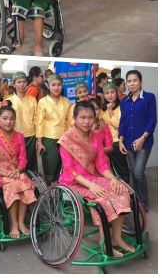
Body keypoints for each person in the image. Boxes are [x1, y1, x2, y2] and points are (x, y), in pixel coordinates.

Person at [58, 101, 135, 257]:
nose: (86, 121)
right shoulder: (66, 139)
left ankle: (117, 238)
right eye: (82, 117)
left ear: (95, 118)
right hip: (73, 182)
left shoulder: (96, 137)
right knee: (104, 200)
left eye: (90, 117)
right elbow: (69, 170)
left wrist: (113, 178)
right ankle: (104, 242)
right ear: (74, 118)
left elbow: (101, 164)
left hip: (92, 177)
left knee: (121, 190)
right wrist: (91, 186)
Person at [0, 102, 37, 239]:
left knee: (25, 183)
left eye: (12, 118)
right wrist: (6, 173)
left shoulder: (19, 136)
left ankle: (21, 222)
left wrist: (18, 170)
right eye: (5, 118)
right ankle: (13, 224)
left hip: (16, 172)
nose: (9, 122)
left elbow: (23, 158)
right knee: (13, 185)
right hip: (0, 174)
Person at [118, 70, 156, 212]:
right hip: (128, 143)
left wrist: (142, 139)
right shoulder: (124, 102)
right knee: (133, 172)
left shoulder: (149, 98)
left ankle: (144, 202)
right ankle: (136, 201)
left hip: (144, 142)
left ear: (140, 82)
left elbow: (152, 120)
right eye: (129, 81)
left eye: (135, 80)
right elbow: (123, 122)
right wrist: (121, 140)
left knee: (139, 172)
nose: (132, 83)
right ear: (126, 83)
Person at [35, 74, 72, 183]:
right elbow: (39, 122)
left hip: (64, 138)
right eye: (53, 85)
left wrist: (69, 138)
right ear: (48, 86)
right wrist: (39, 141)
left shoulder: (66, 101)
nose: (56, 87)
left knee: (62, 164)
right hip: (48, 138)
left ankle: (60, 189)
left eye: (59, 85)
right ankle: (49, 189)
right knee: (49, 165)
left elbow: (69, 121)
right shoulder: (43, 102)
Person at [6, 71, 38, 173]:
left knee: (31, 163)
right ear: (14, 84)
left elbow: (36, 118)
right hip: (14, 136)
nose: (22, 84)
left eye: (24, 82)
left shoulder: (32, 99)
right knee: (16, 163)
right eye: (19, 82)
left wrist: (38, 138)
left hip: (31, 135)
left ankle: (32, 185)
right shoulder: (8, 101)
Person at [100, 82, 130, 180]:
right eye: (107, 93)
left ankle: (128, 190)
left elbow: (118, 124)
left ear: (116, 93)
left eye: (112, 92)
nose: (110, 95)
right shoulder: (102, 110)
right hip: (105, 143)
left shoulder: (121, 107)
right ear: (104, 95)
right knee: (110, 170)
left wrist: (110, 110)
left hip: (117, 142)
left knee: (122, 169)